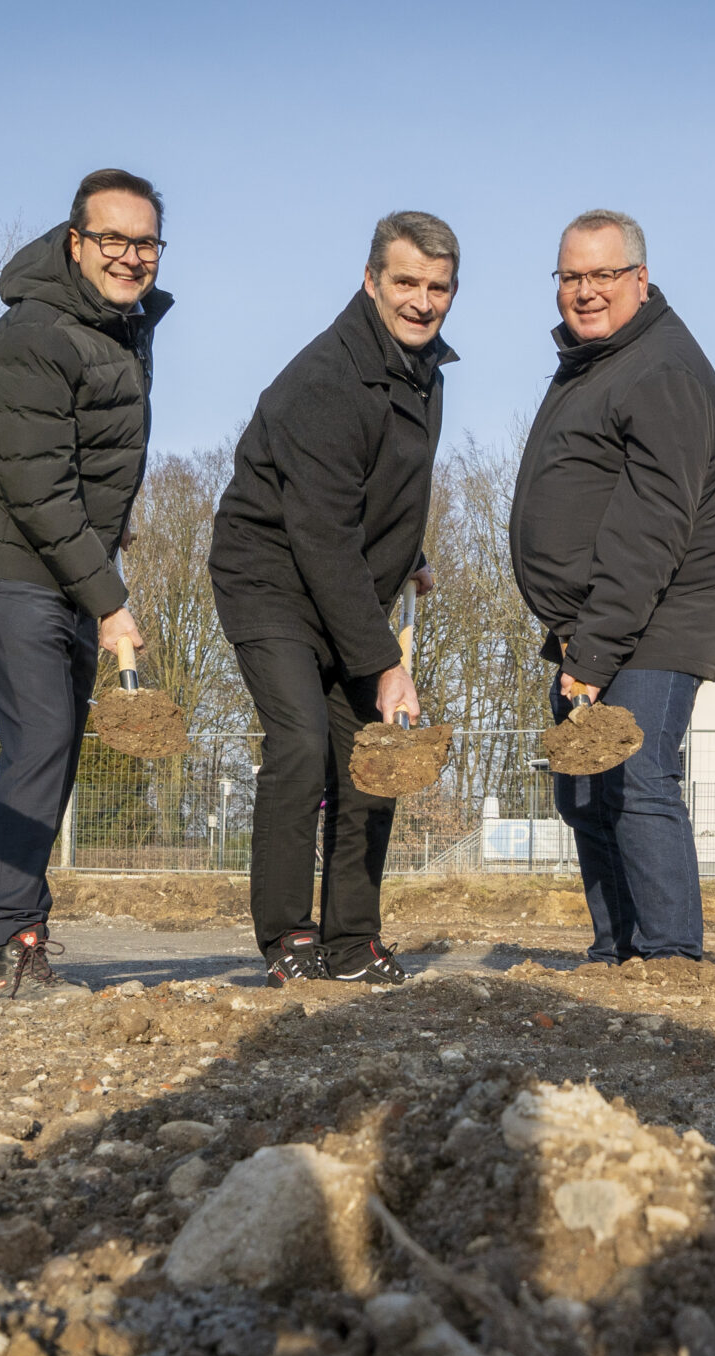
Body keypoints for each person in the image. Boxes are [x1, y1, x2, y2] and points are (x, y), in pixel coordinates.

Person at [0, 169, 173, 1000]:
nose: (130, 255)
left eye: (144, 241)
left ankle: (9, 937)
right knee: (41, 739)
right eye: (112, 238)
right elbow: (35, 486)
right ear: (74, 241)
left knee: (53, 749)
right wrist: (108, 597)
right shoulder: (35, 333)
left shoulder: (114, 331)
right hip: (8, 566)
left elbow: (80, 465)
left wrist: (107, 543)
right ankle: (2, 947)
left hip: (61, 570)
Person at [208, 212, 457, 988]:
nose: (422, 301)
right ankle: (288, 932)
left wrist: (406, 553)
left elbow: (375, 490)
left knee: (369, 755)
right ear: (370, 280)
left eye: (438, 287)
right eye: (406, 282)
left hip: (340, 575)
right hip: (272, 577)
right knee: (302, 741)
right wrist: (385, 662)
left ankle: (353, 938)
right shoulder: (325, 378)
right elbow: (318, 530)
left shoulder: (424, 374)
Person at [509, 210, 715, 964]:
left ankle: (671, 955)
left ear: (639, 280)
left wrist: (596, 647)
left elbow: (651, 529)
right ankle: (616, 950)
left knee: (633, 766)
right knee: (581, 784)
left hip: (658, 610)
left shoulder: (660, 370)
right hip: (600, 619)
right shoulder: (600, 360)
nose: (585, 291)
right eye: (571, 276)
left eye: (603, 275)